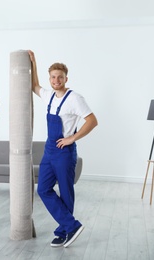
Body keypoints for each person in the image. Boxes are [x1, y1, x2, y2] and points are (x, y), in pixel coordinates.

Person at [28, 50, 98, 247]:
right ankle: (70, 226)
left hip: (64, 152)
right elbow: (34, 85)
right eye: (53, 77)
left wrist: (72, 138)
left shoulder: (75, 98)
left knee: (66, 192)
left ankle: (64, 230)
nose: (56, 80)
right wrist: (34, 62)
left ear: (66, 78)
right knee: (43, 189)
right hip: (49, 150)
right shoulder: (48, 96)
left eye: (60, 77)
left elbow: (92, 121)